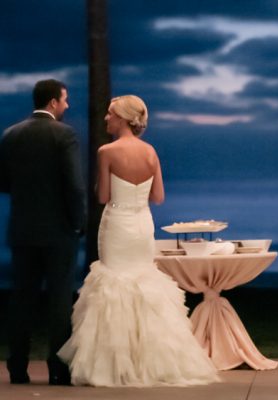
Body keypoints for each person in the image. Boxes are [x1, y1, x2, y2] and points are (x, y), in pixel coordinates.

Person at [57, 95, 218, 387]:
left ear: (121, 118)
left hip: (117, 224)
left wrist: (100, 184)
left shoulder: (107, 151)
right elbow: (158, 197)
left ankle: (114, 366)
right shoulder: (150, 152)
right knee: (144, 283)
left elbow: (103, 197)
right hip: (143, 224)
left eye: (110, 114)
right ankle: (155, 364)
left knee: (114, 284)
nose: (106, 118)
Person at [0, 79, 86, 385]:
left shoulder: (10, 134)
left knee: (21, 299)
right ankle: (57, 369)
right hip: (58, 231)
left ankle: (18, 368)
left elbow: (4, 182)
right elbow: (74, 186)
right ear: (52, 102)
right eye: (65, 100)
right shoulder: (64, 135)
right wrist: (78, 222)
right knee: (59, 300)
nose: (67, 105)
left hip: (22, 229)